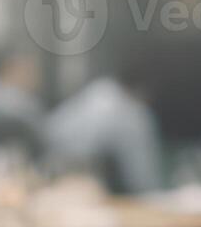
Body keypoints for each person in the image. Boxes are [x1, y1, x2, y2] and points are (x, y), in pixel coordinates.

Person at [43, 58, 163, 194]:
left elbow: (50, 128)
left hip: (49, 174)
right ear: (144, 90)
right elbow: (142, 176)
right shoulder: (132, 113)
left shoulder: (99, 89)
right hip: (86, 180)